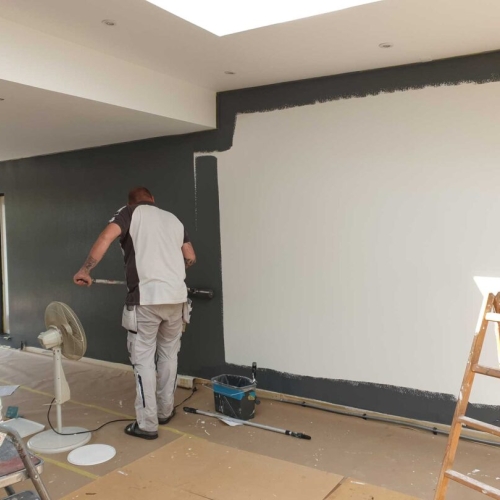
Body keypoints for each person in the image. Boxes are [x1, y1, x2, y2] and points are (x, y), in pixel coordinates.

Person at [73, 187, 196, 440]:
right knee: (169, 355)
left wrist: (85, 270)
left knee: (143, 361)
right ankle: (165, 411)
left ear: (131, 202)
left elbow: (106, 237)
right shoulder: (173, 219)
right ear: (153, 199)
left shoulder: (129, 212)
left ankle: (148, 424)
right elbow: (191, 256)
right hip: (177, 299)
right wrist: (171, 273)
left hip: (146, 300)